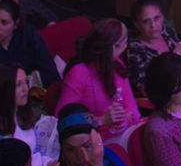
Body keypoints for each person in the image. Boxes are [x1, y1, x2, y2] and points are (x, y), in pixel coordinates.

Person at [59, 18, 139, 148]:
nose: (126, 46)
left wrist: (127, 116)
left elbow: (132, 105)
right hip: (93, 141)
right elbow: (62, 119)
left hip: (120, 133)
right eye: (124, 42)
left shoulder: (118, 64)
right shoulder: (79, 73)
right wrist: (101, 120)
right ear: (112, 47)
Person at [123, 0, 181, 101]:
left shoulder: (166, 32)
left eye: (157, 18)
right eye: (146, 21)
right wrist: (175, 55)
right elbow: (145, 90)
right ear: (137, 25)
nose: (153, 25)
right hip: (167, 100)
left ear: (163, 17)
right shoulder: (135, 50)